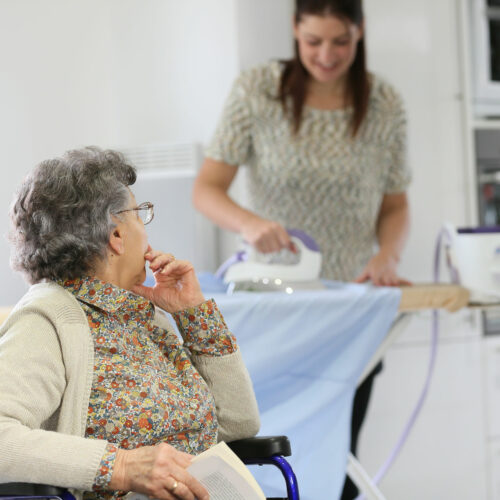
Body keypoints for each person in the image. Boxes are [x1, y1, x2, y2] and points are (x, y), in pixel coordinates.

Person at [192, 0, 410, 497]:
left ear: (360, 33)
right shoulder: (257, 91)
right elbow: (206, 189)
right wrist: (250, 225)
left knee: (338, 456)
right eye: (313, 41)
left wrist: (387, 257)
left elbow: (396, 205)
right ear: (294, 31)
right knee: (266, 450)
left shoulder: (383, 103)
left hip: (348, 312)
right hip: (278, 309)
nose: (327, 54)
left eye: (341, 41)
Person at [0, 147, 260, 500]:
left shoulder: (148, 318)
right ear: (116, 236)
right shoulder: (48, 320)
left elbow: (238, 425)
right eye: (140, 215)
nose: (147, 232)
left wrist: (194, 315)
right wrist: (120, 466)